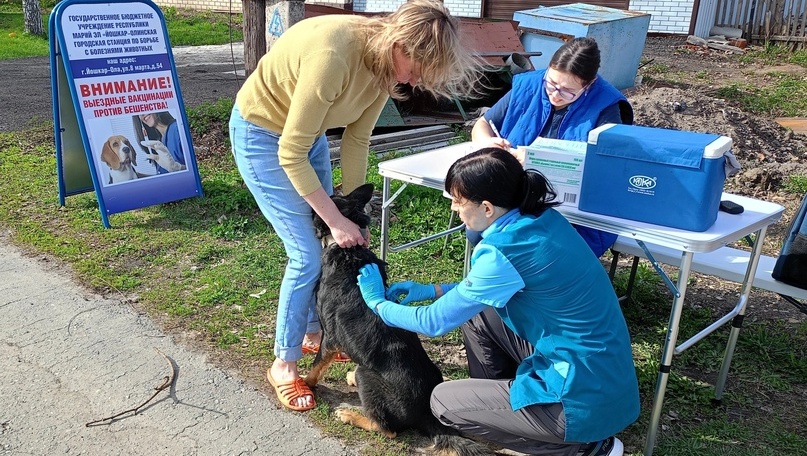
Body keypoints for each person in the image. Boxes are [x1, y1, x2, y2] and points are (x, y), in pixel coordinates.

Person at [228, 0, 482, 412]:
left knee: (328, 246)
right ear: (399, 43)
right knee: (308, 255)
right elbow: (289, 152)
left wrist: (349, 211)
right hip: (263, 134)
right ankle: (284, 363)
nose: (414, 81)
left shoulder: (385, 65)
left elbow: (356, 140)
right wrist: (335, 221)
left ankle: (314, 332)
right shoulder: (333, 55)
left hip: (307, 136)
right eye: (415, 70)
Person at [357, 148, 639, 456]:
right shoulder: (542, 219)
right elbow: (487, 290)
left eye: (457, 201)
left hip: (580, 401)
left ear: (487, 208)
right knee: (480, 314)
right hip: (604, 376)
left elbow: (432, 322)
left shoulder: (502, 252)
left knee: (442, 403)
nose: (453, 209)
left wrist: (376, 303)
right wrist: (432, 290)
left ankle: (584, 449)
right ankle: (505, 408)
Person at [470, 37, 633, 257]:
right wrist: (486, 142)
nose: (555, 95)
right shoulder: (529, 85)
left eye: (567, 91)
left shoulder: (606, 106)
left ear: (590, 84)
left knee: (541, 248)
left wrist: (537, 159)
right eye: (551, 83)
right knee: (478, 226)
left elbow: (605, 166)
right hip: (518, 193)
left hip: (569, 205)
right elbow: (483, 124)